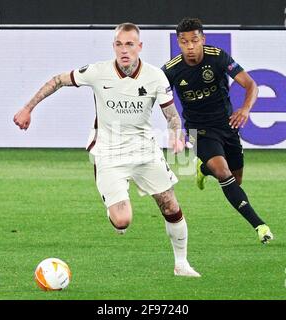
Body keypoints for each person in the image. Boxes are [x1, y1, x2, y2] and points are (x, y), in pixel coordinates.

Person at [13, 23, 200, 276]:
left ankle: (182, 264)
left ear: (140, 47)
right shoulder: (98, 72)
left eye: (130, 44)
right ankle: (109, 193)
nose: (124, 50)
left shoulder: (155, 76)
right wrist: (28, 108)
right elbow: (58, 80)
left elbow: (172, 117)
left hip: (145, 151)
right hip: (109, 153)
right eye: (119, 44)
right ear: (114, 46)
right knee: (122, 221)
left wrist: (177, 136)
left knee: (170, 205)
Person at [162, 18, 274, 244]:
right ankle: (260, 226)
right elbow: (159, 99)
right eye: (184, 42)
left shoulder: (218, 57)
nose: (190, 46)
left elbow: (251, 85)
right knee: (224, 174)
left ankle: (203, 168)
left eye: (194, 40)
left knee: (236, 179)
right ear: (179, 43)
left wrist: (245, 109)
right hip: (199, 130)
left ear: (202, 39)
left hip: (227, 125)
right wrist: (175, 129)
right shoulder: (171, 70)